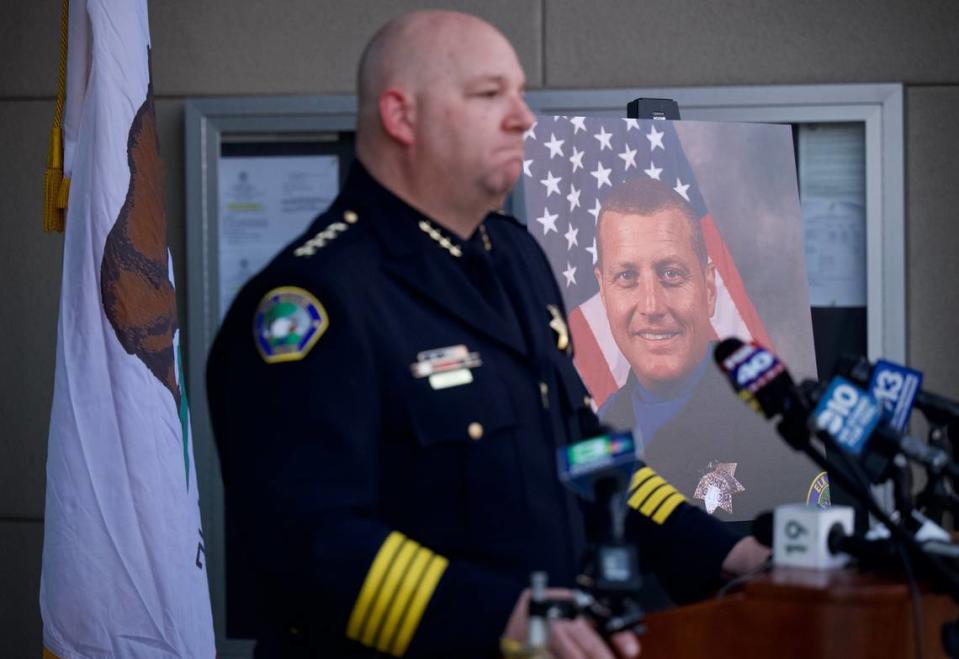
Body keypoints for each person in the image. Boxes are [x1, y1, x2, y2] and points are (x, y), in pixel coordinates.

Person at [207, 10, 768, 658]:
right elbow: (309, 540)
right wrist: (500, 616)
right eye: (487, 94)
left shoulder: (515, 259)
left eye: (520, 93)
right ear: (401, 115)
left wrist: (722, 550)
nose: (522, 117)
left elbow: (582, 453)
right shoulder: (314, 302)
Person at [594, 178, 813, 519]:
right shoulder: (599, 426)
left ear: (709, 288)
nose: (651, 305)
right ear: (603, 292)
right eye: (626, 277)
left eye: (671, 274)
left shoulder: (776, 421)